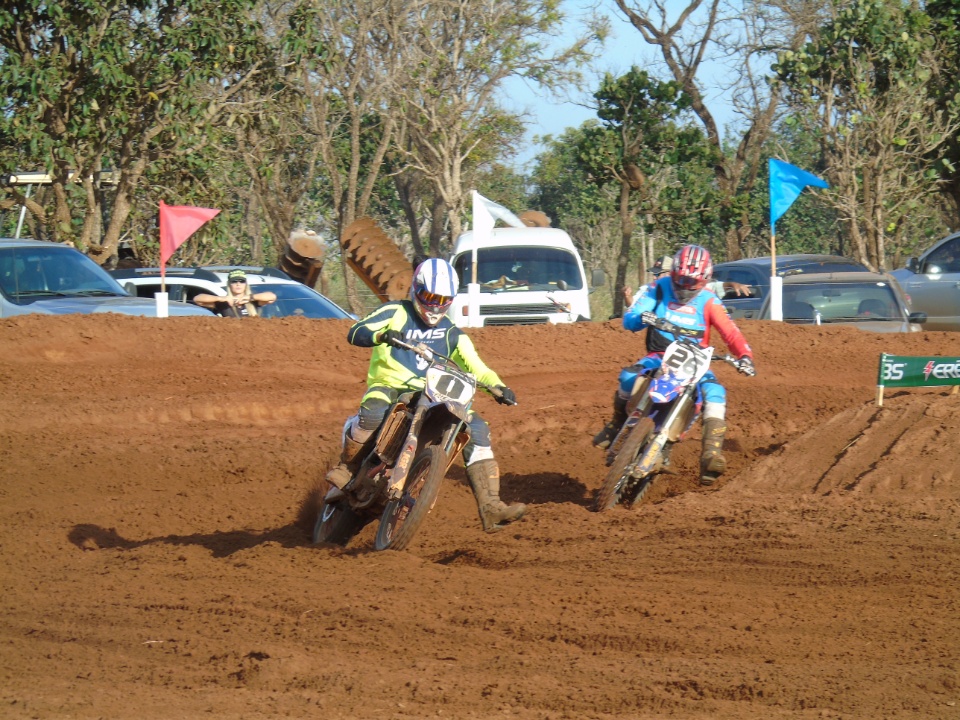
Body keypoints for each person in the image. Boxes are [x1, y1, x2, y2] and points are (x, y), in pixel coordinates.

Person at [327, 258, 527, 533]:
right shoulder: (395, 312)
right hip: (390, 385)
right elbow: (357, 331)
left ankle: (491, 507)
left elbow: (477, 367)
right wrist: (381, 336)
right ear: (416, 291)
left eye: (441, 299)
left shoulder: (453, 334)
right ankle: (347, 468)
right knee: (373, 411)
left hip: (434, 394)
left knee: (477, 428)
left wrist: (499, 387)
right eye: (429, 297)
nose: (434, 305)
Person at [594, 244, 756, 486]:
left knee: (715, 393)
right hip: (659, 355)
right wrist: (641, 316)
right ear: (673, 272)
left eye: (691, 281)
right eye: (680, 278)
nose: (685, 285)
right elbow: (630, 319)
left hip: (694, 362)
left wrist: (744, 356)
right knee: (628, 376)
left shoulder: (709, 301)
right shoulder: (658, 288)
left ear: (704, 279)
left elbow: (730, 333)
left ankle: (711, 455)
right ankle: (616, 424)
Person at [194, 269, 277, 317]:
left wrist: (250, 297)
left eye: (241, 281)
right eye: (234, 281)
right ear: (229, 284)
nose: (238, 284)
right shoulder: (223, 303)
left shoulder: (253, 301)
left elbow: (272, 297)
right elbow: (198, 299)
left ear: (246, 284)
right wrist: (221, 298)